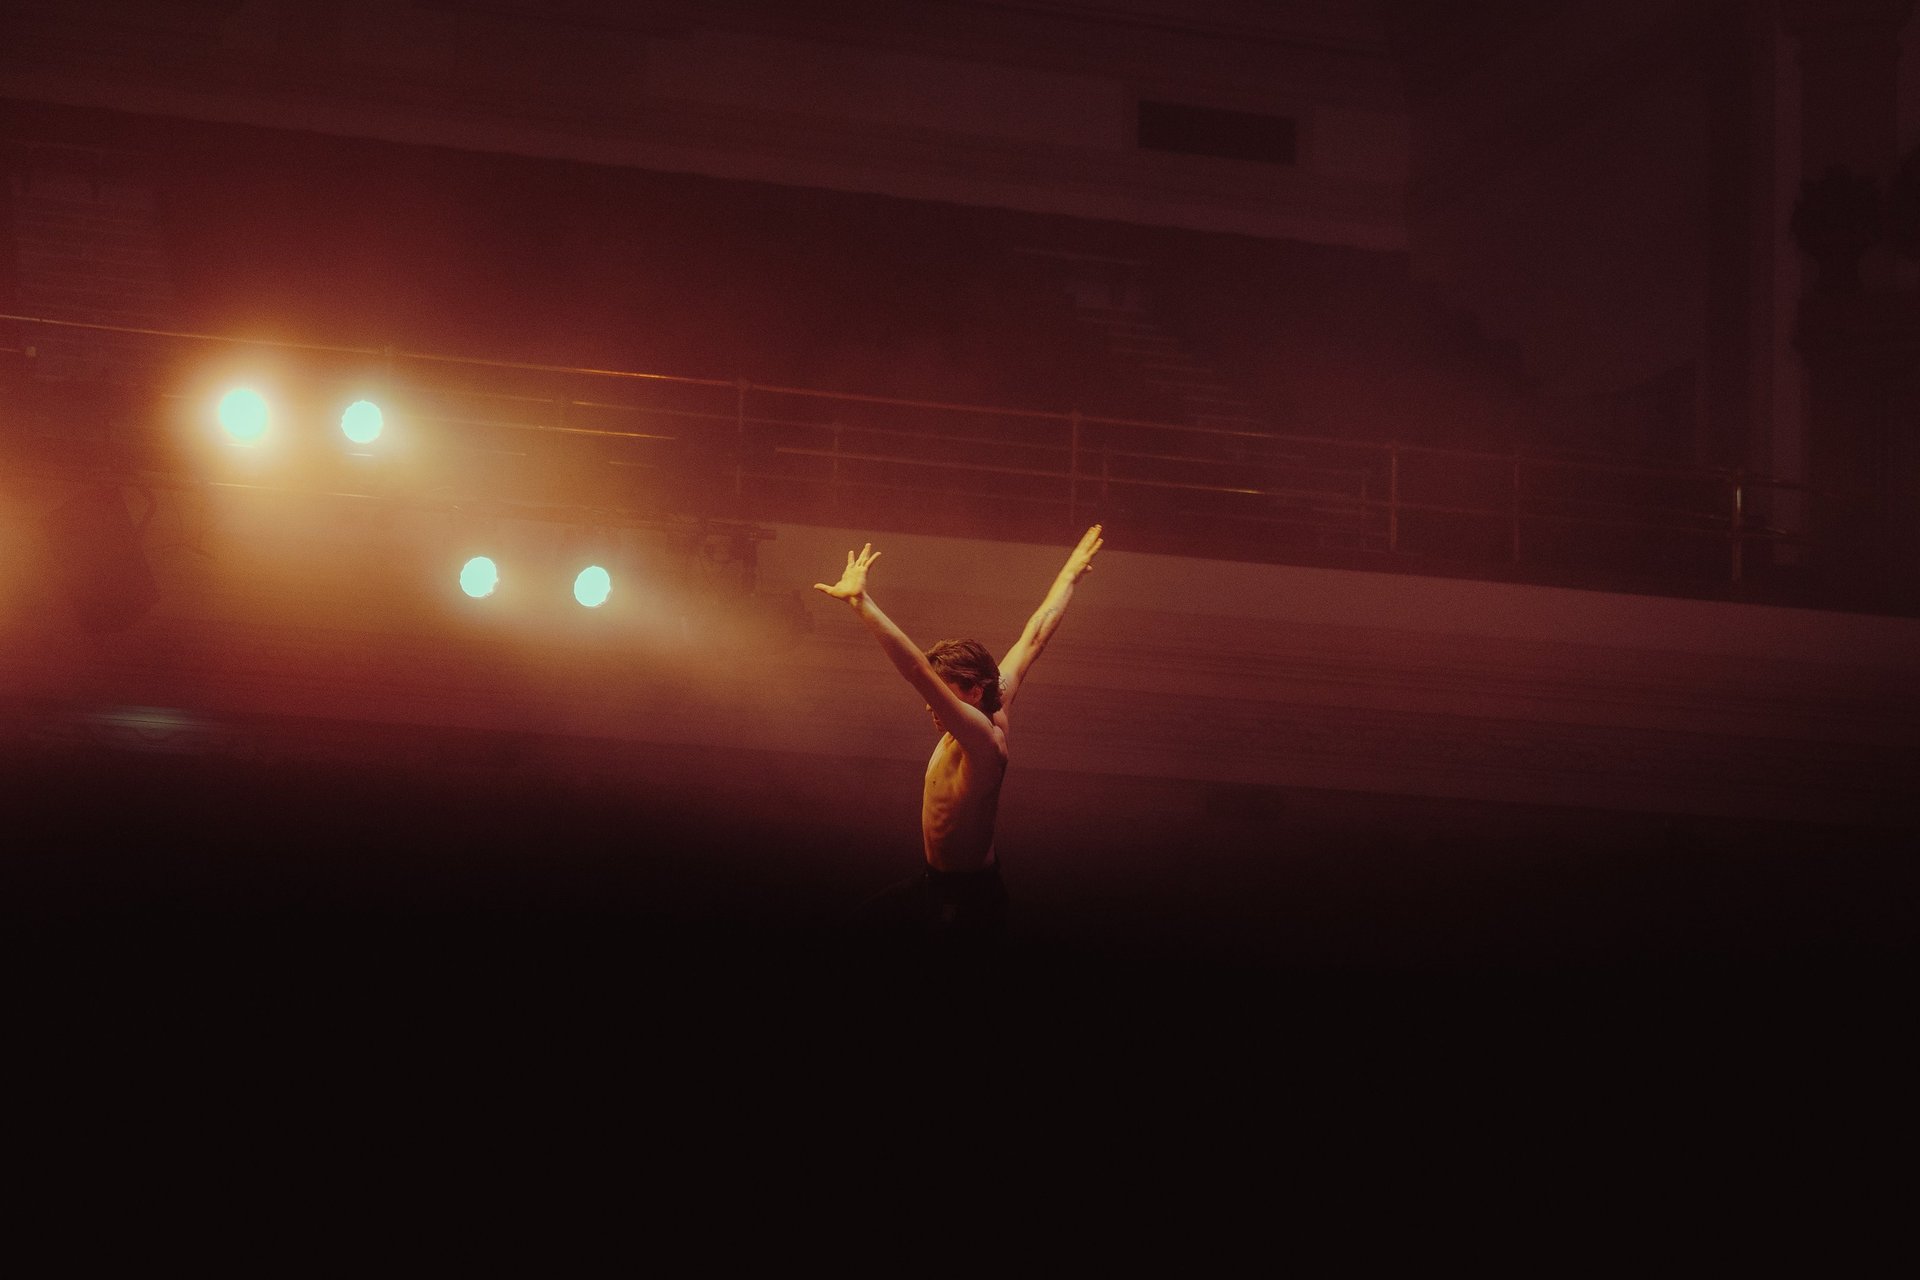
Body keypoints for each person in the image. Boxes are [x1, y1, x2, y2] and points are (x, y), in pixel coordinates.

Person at [813, 525, 1104, 946]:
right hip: (934, 883)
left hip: (966, 901)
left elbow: (915, 671)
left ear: (974, 691)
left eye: (945, 698)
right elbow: (1036, 633)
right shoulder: (993, 697)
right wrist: (1071, 574)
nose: (933, 707)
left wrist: (862, 603)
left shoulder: (982, 739)